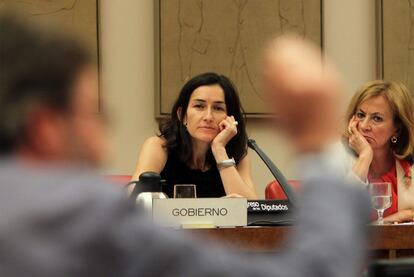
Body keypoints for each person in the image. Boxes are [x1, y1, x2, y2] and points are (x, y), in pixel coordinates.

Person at [0, 14, 369, 277]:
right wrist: (317, 141)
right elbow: (314, 270)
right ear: (44, 126)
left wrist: (222, 154)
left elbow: (249, 207)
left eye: (219, 108)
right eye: (93, 116)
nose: (102, 143)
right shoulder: (83, 212)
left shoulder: (234, 150)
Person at [131, 72, 257, 199]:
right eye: (199, 106)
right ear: (182, 115)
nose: (208, 117)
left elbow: (252, 210)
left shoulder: (237, 152)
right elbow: (136, 200)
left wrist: (219, 150)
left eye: (218, 108)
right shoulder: (160, 146)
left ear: (230, 117)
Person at [344, 80, 414, 223]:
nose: (364, 126)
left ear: (397, 129)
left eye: (377, 118)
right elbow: (339, 219)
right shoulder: (337, 159)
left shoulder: (409, 167)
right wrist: (365, 156)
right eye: (361, 115)